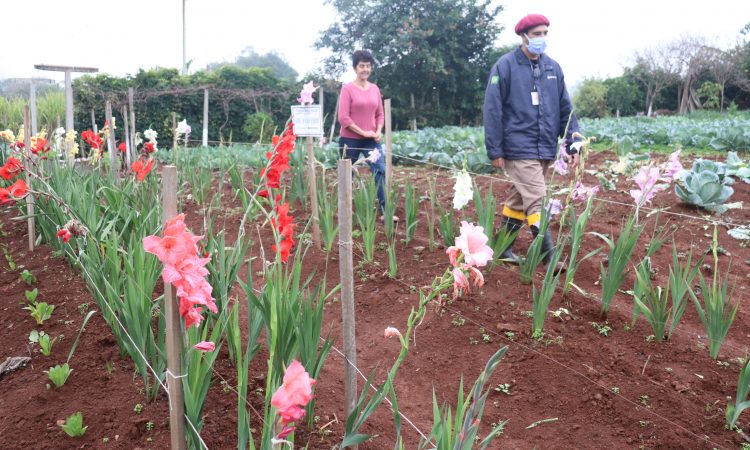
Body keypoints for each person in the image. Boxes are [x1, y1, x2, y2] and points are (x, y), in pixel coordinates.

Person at [483, 13, 582, 266]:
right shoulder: (504, 66)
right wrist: (495, 149)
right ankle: (548, 256)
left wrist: (573, 143)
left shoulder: (552, 68)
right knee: (537, 196)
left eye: (545, 33)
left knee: (519, 198)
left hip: (545, 147)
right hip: (518, 146)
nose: (542, 38)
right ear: (523, 36)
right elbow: (492, 109)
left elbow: (565, 109)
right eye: (537, 34)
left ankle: (503, 249)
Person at [338, 49, 393, 220]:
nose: (365, 69)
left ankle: (385, 212)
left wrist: (377, 131)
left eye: (368, 66)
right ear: (355, 68)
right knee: (348, 175)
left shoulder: (375, 88)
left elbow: (379, 114)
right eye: (361, 66)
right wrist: (363, 132)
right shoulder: (347, 89)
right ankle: (344, 212)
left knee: (380, 171)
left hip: (371, 141)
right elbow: (343, 118)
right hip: (349, 141)